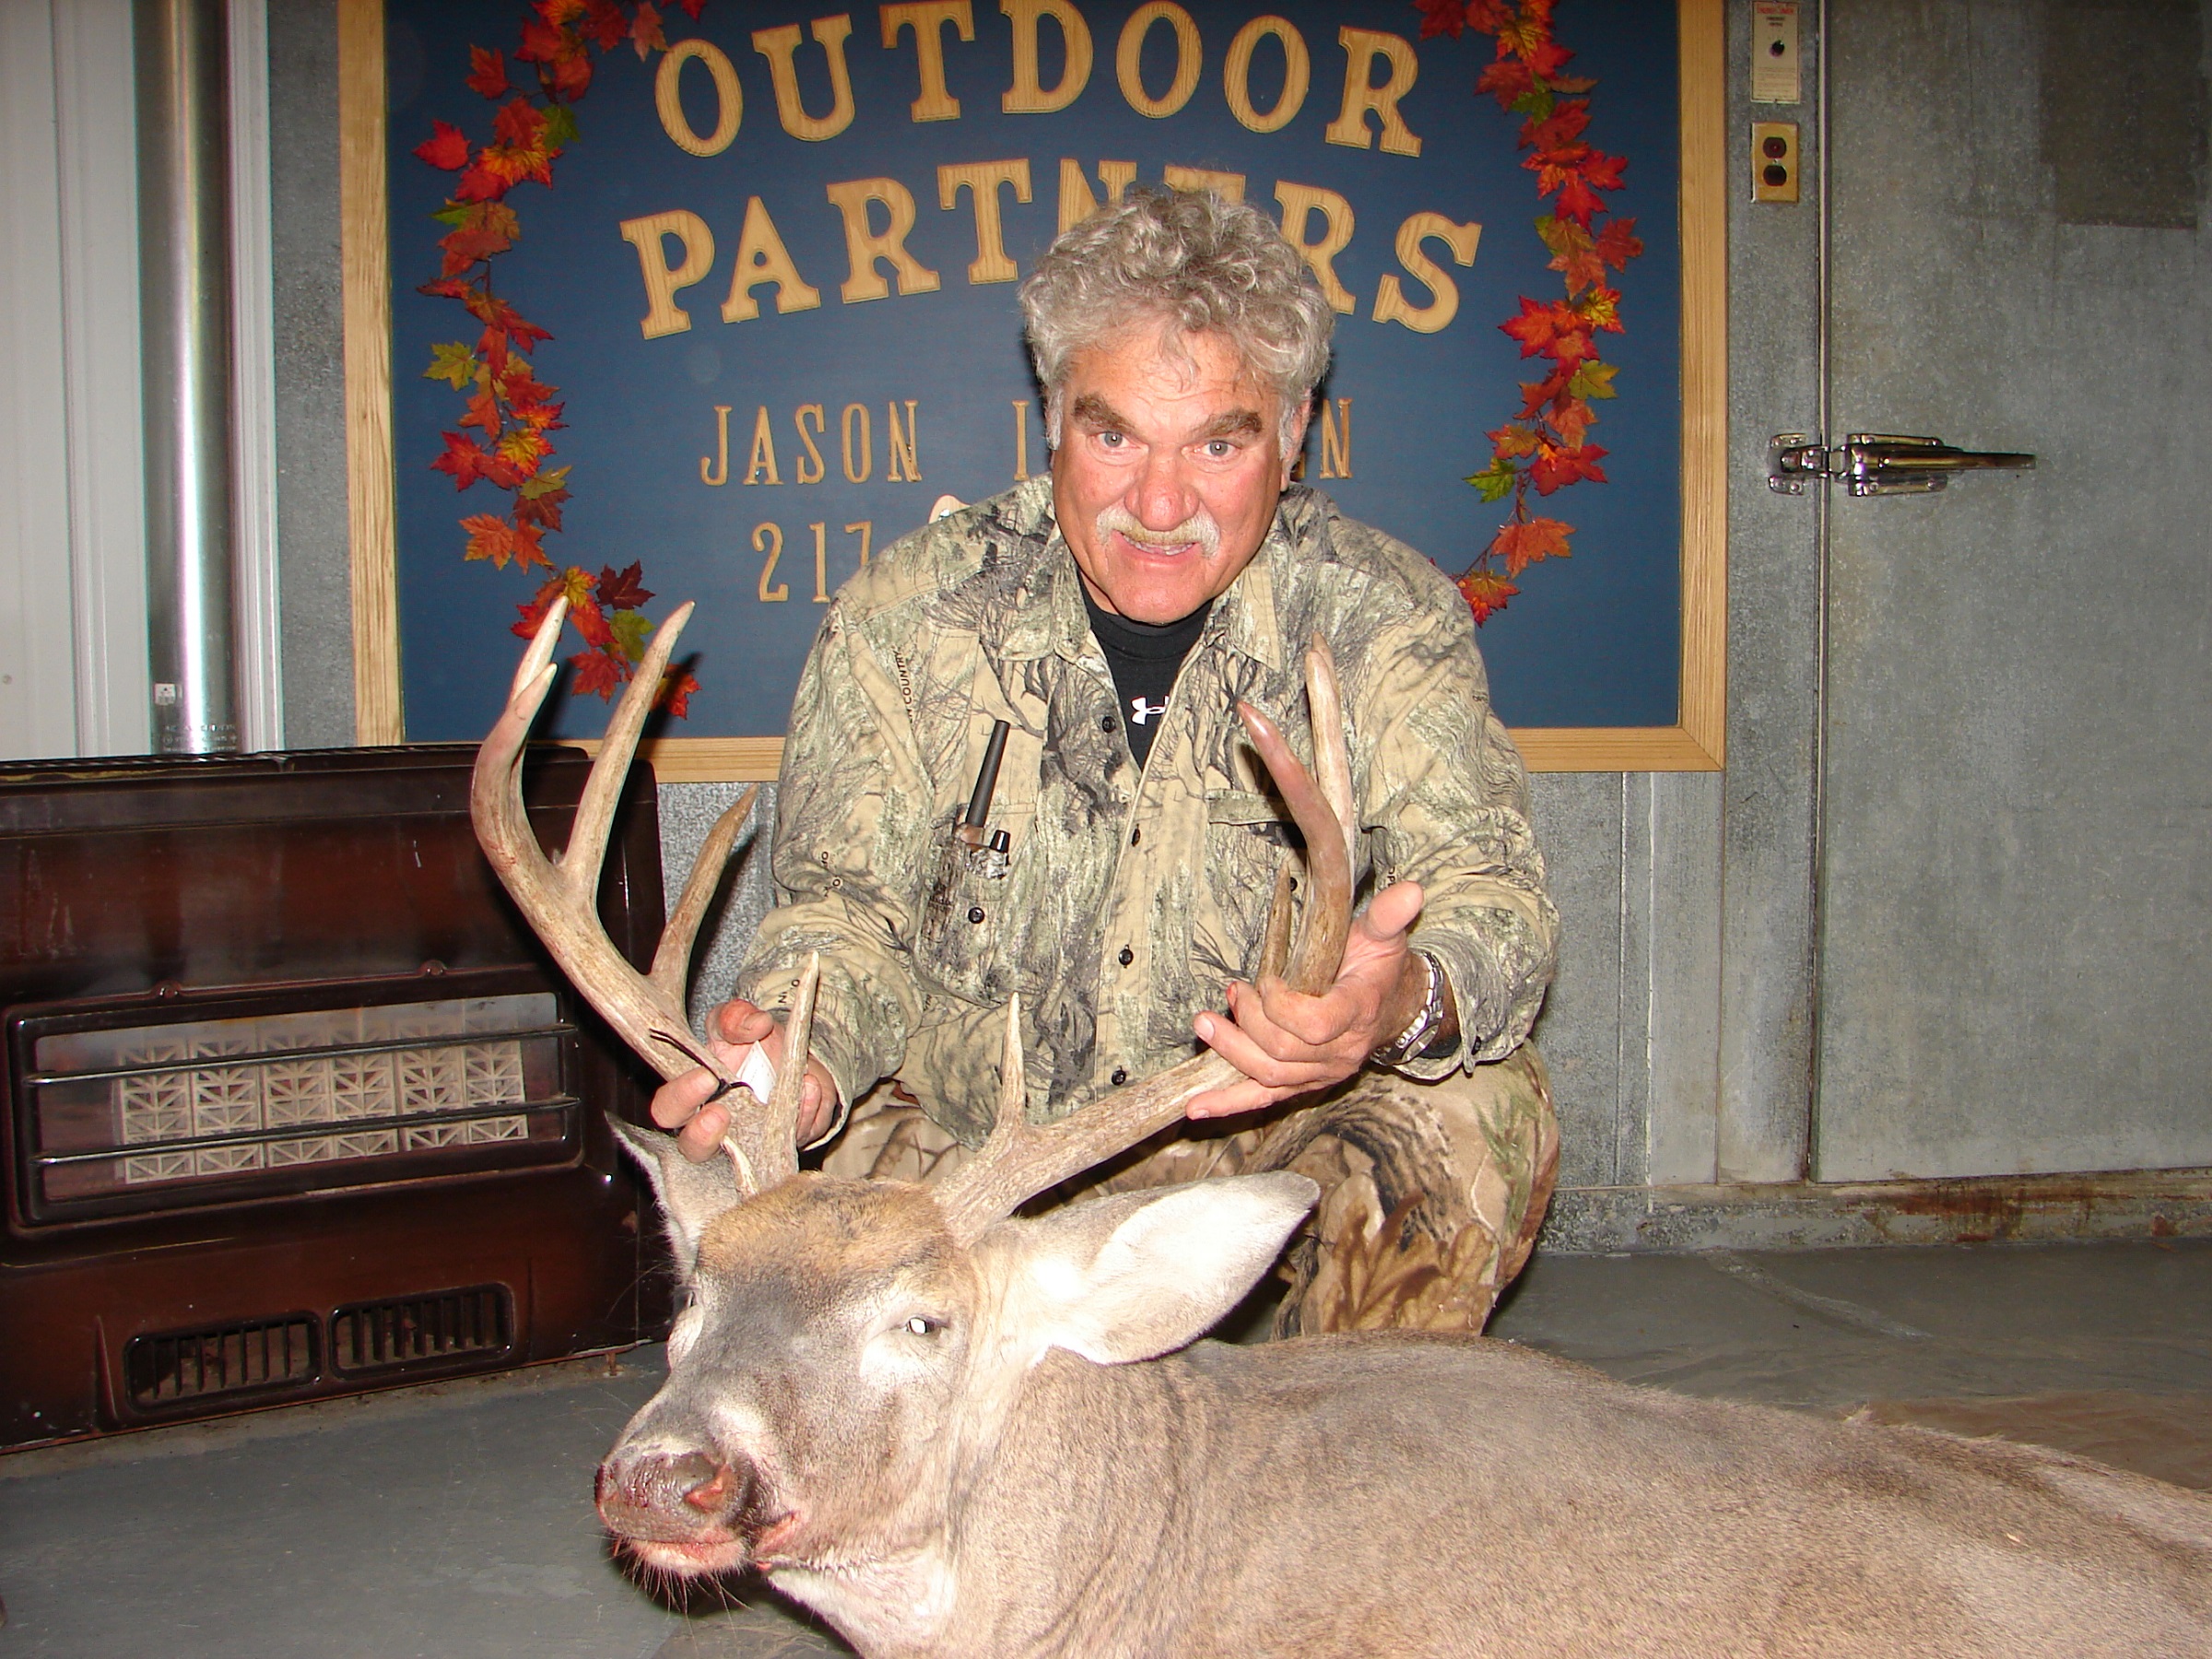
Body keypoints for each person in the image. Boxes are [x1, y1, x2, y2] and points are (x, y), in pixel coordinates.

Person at [653, 187, 1559, 1334]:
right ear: (1052, 420)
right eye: (1114, 434)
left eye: (1219, 443)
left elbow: (1493, 895)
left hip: (1257, 1142)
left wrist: (1394, 1004)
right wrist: (796, 1059)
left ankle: (1320, 1435)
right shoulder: (909, 616)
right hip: (971, 1149)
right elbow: (842, 915)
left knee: (1480, 1113)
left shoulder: (1383, 616)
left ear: (1292, 436)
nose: (1160, 503)